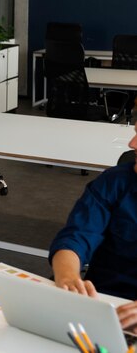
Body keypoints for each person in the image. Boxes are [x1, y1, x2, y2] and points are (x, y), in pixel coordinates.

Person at [49, 125, 137, 331]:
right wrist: (68, 277)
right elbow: (75, 236)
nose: (132, 144)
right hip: (101, 306)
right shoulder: (114, 181)